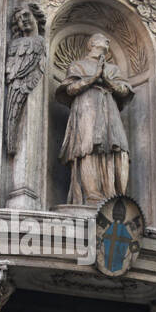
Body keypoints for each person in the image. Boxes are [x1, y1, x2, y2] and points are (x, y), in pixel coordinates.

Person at [56, 33, 134, 206]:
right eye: (101, 38)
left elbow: (124, 91)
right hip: (86, 106)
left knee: (119, 148)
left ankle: (116, 195)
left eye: (108, 39)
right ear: (91, 44)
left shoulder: (113, 69)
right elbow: (70, 89)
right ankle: (93, 195)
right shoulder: (78, 65)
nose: (107, 40)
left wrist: (107, 80)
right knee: (88, 147)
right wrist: (92, 79)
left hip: (109, 108)